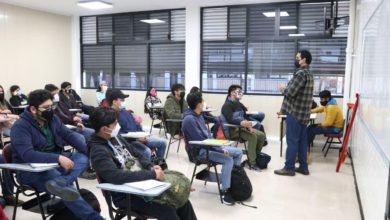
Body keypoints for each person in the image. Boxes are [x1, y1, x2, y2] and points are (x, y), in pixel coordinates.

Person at [88, 106, 197, 220]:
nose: (118, 126)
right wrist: (151, 175)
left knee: (182, 200)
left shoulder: (115, 137)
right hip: (126, 195)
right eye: (115, 123)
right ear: (105, 129)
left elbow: (137, 154)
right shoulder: (98, 151)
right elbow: (116, 176)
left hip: (140, 184)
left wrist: (150, 166)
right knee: (167, 209)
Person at [10, 89, 103, 220]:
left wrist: (91, 153)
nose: (51, 110)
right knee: (66, 189)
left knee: (83, 157)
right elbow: (28, 154)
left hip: (54, 164)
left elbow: (68, 135)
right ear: (33, 109)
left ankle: (61, 182)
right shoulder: (20, 126)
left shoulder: (52, 119)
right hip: (31, 171)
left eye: (52, 106)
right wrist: (58, 158)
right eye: (46, 107)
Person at [182, 92, 242, 205]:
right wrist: (219, 150)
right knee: (228, 159)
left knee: (238, 153)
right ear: (199, 104)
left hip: (210, 147)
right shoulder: (189, 119)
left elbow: (208, 137)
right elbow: (201, 142)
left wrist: (219, 145)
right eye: (203, 101)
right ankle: (225, 191)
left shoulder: (199, 116)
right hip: (201, 152)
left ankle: (232, 181)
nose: (204, 103)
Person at [274, 50, 314, 176]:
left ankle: (289, 168)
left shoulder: (301, 74)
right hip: (304, 115)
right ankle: (303, 167)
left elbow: (291, 93)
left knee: (292, 141)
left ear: (304, 60)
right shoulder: (309, 74)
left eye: (298, 58)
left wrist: (282, 88)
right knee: (302, 142)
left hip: (295, 114)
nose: (296, 60)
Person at [107, 89, 167, 160]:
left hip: (140, 136)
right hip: (130, 141)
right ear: (114, 102)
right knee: (146, 151)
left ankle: (159, 164)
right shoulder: (111, 116)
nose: (123, 102)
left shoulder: (126, 112)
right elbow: (118, 136)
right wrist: (137, 139)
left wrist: (144, 134)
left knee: (162, 142)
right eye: (121, 100)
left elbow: (137, 125)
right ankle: (148, 169)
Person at [221, 85, 266, 170]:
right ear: (232, 93)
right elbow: (230, 119)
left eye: (241, 92)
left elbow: (245, 117)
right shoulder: (226, 105)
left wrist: (249, 126)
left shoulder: (239, 104)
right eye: (239, 92)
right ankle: (252, 163)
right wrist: (242, 123)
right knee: (253, 137)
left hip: (241, 128)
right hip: (232, 130)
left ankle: (253, 157)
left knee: (261, 135)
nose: (241, 93)